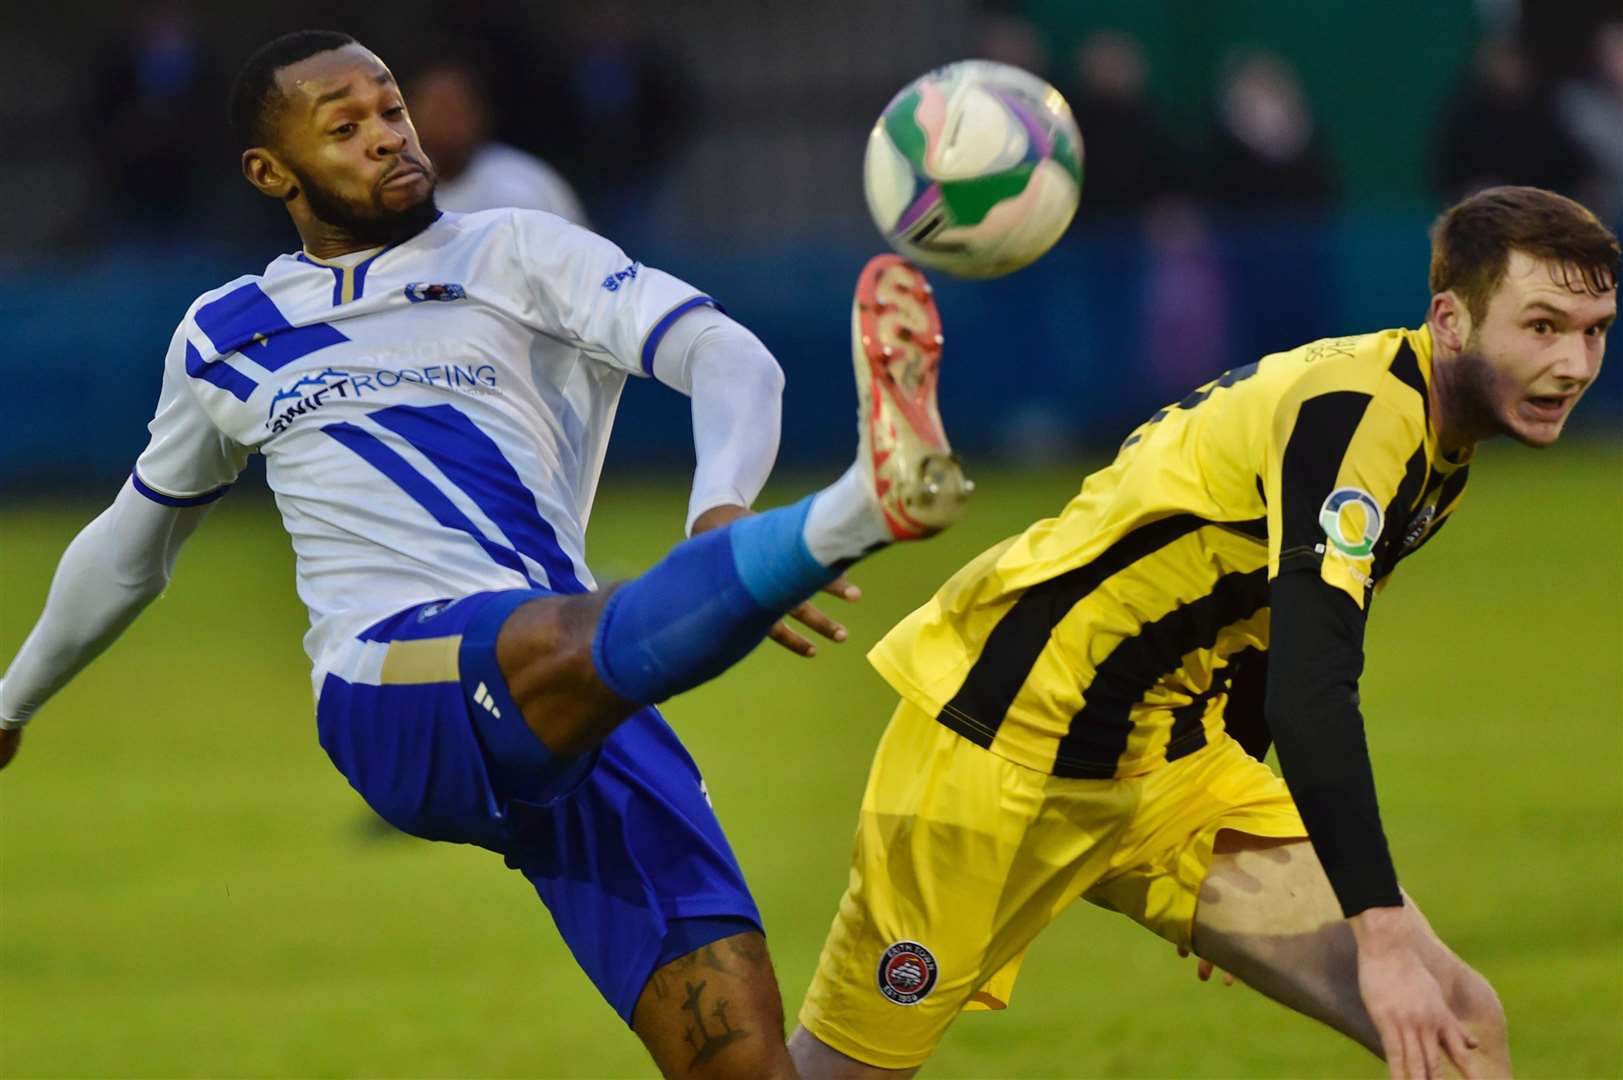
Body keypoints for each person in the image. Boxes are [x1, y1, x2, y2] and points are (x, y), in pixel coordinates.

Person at [0, 31, 970, 1079]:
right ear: (269, 172)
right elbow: (130, 549)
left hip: (579, 689)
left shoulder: (520, 250)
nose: (387, 137)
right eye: (346, 127)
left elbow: (726, 355)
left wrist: (719, 508)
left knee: (740, 1066)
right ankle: (863, 505)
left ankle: (783, 545)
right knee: (569, 629)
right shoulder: (225, 333)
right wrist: (10, 703)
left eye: (390, 112)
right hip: (392, 683)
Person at [788, 185, 1617, 1079]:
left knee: (1456, 1017)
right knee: (841, 1074)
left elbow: (1261, 626)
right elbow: (1313, 686)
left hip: (1167, 764)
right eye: (1541, 327)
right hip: (1001, 740)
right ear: (1450, 321)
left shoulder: (1434, 434)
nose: (1574, 362)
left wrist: (1209, 873)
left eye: (1595, 330)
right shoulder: (1360, 417)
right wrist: (1375, 937)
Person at [407, 58, 590, 225]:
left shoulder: (526, 185)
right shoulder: (394, 192)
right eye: (438, 110)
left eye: (457, 109)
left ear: (481, 114)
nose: (447, 123)